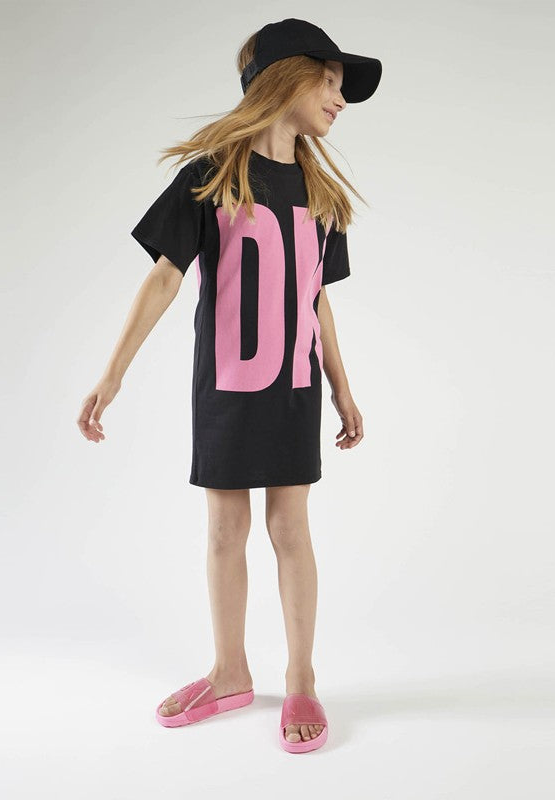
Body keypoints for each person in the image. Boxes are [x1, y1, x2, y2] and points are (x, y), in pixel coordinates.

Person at [76, 18, 381, 753]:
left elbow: (316, 298)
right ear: (283, 79)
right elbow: (163, 279)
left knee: (290, 529)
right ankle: (229, 671)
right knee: (224, 530)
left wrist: (342, 387)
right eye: (328, 82)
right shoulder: (212, 175)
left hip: (294, 385)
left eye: (340, 88)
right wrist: (112, 375)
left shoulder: (319, 193)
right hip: (226, 386)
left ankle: (302, 676)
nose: (339, 100)